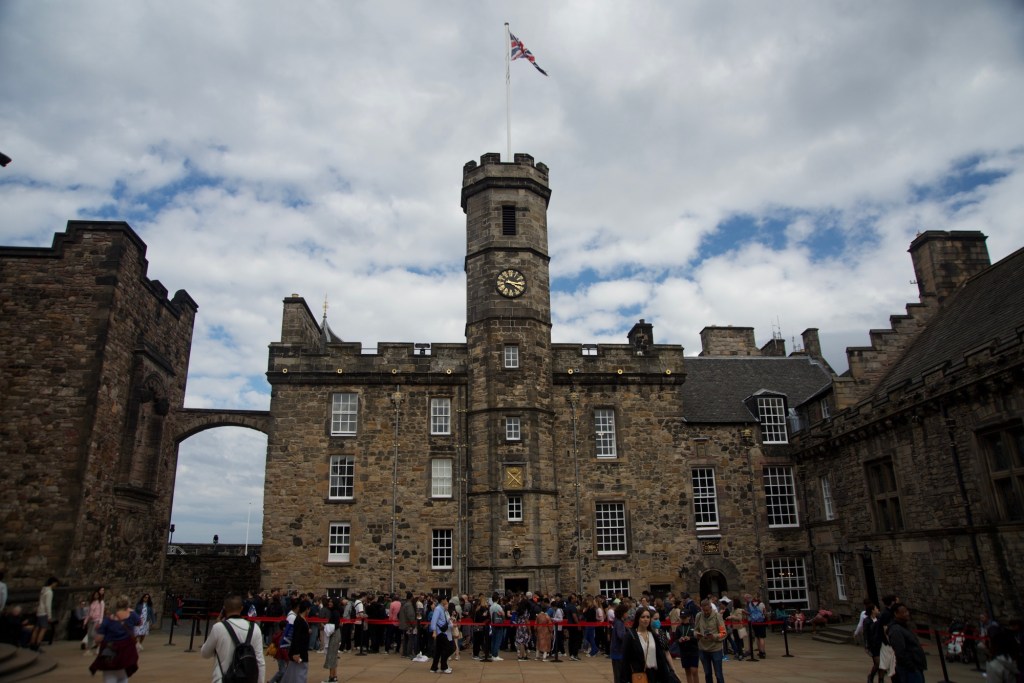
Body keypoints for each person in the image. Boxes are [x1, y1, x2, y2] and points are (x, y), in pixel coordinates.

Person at [201, 593, 266, 683]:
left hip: (222, 679)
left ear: (224, 609)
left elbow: (205, 653)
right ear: (242, 608)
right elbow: (260, 661)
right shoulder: (255, 628)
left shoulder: (218, 628)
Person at [89, 594, 141, 683]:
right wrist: (131, 610)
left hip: (111, 653)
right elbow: (139, 622)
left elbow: (98, 639)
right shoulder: (132, 616)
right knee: (123, 678)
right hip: (126, 654)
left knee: (110, 677)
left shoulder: (108, 620)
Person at [621, 607, 678, 683]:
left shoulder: (654, 635)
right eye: (643, 617)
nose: (646, 619)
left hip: (655, 675)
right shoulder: (630, 636)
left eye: (648, 617)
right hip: (639, 675)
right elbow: (625, 659)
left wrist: (669, 672)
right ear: (638, 619)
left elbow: (661, 657)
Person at [886, 604, 926, 683]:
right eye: (903, 612)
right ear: (896, 614)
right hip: (909, 669)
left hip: (915, 666)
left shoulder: (904, 627)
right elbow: (900, 652)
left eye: (907, 611)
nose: (907, 614)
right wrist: (911, 666)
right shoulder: (896, 630)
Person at [694, 598, 726, 683]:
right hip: (703, 649)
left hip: (715, 649)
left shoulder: (717, 616)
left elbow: (723, 633)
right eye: (704, 610)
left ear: (711, 608)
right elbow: (695, 630)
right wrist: (696, 634)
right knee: (707, 674)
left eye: (707, 610)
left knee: (718, 674)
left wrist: (714, 636)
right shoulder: (698, 616)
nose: (706, 612)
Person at [281, 599, 310, 683]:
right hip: (299, 651)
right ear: (307, 609)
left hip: (301, 649)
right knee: (299, 673)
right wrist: (296, 653)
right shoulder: (299, 620)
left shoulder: (301, 619)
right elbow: (296, 637)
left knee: (295, 673)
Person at [29, 576, 59, 652]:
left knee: (36, 628)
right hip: (44, 612)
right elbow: (48, 605)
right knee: (43, 629)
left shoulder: (43, 590)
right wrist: (49, 615)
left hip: (39, 611)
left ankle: (32, 643)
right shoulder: (49, 592)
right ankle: (37, 644)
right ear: (53, 583)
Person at [429, 595, 454, 674]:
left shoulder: (442, 609)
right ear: (442, 600)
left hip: (443, 631)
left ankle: (434, 667)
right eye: (446, 599)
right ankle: (443, 666)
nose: (447, 601)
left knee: (438, 651)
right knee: (449, 647)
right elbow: (434, 621)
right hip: (440, 632)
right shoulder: (438, 609)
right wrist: (434, 631)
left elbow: (442, 621)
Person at [674, 611, 700, 683]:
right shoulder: (679, 627)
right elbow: (675, 639)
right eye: (682, 618)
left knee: (694, 671)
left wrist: (690, 638)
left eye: (685, 617)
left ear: (689, 617)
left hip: (693, 651)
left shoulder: (694, 626)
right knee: (687, 671)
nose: (683, 619)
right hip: (684, 652)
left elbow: (698, 638)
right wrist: (679, 640)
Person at [862, 603, 885, 683]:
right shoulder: (867, 620)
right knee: (878, 663)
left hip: (881, 643)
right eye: (876, 608)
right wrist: (866, 646)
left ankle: (881, 680)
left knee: (882, 664)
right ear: (872, 610)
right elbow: (865, 634)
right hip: (873, 644)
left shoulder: (879, 619)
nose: (878, 609)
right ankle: (871, 676)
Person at [322, 597, 341, 683]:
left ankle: (332, 677)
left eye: (331, 602)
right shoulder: (334, 612)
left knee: (331, 655)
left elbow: (336, 625)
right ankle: (334, 676)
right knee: (333, 655)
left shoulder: (335, 612)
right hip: (334, 633)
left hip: (334, 634)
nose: (329, 603)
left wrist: (325, 627)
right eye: (329, 602)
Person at [743, 592, 767, 659]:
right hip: (761, 622)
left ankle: (759, 651)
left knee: (757, 637)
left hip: (754, 622)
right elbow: (765, 612)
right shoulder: (762, 604)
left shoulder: (750, 604)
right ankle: (762, 652)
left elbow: (749, 613)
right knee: (761, 638)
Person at [609, 602, 629, 682]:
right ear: (622, 613)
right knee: (619, 676)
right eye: (626, 612)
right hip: (618, 653)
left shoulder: (618, 622)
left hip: (617, 652)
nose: (627, 614)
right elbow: (621, 636)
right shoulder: (619, 623)